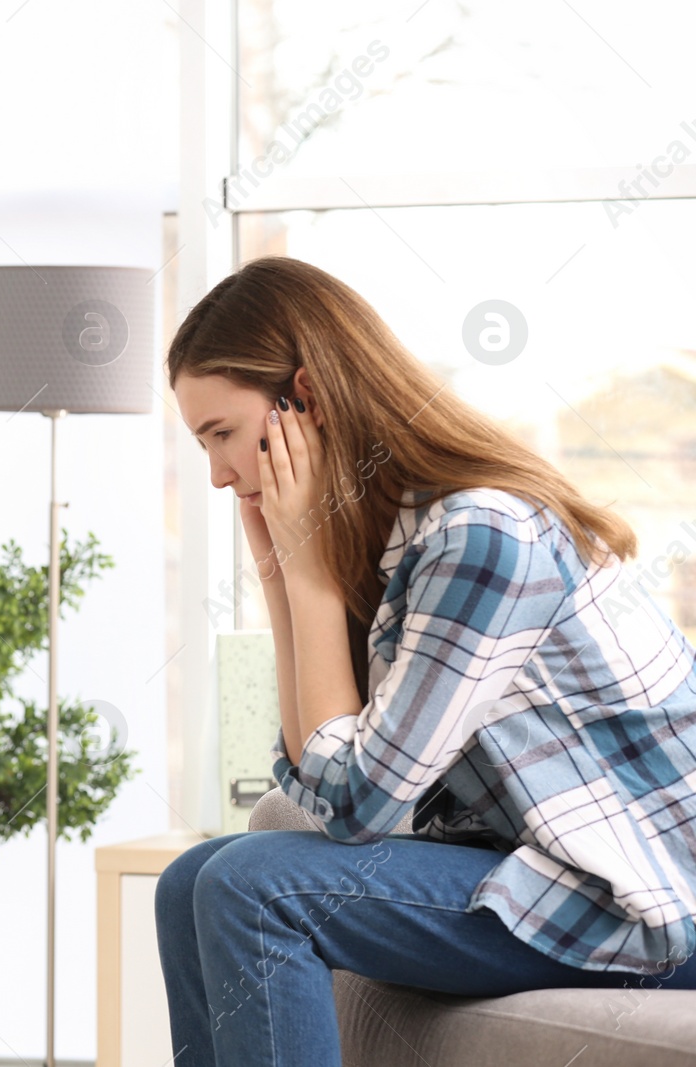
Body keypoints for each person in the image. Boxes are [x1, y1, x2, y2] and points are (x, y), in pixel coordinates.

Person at [154, 256, 696, 1066]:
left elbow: (355, 806)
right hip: (542, 873)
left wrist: (301, 577)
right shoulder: (393, 546)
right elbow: (326, 775)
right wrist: (280, 576)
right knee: (189, 878)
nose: (218, 474)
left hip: (643, 908)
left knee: (249, 884)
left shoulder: (480, 537)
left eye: (222, 435)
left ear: (307, 399)